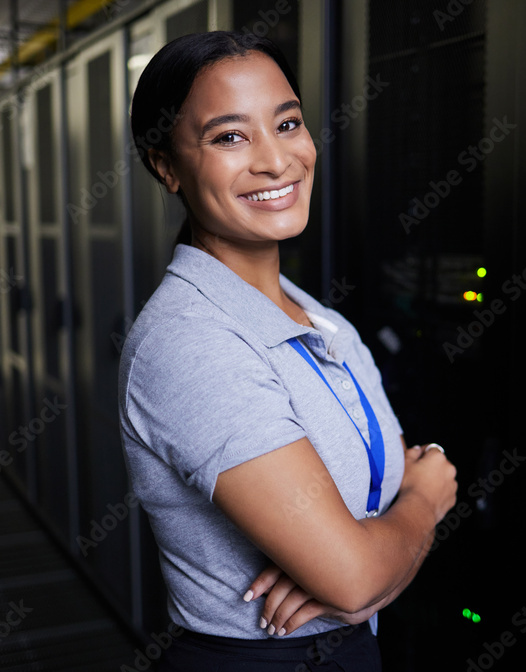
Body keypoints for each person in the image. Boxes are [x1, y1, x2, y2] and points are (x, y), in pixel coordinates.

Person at [119, 31, 458, 671]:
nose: (276, 161)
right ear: (166, 165)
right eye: (229, 136)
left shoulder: (321, 321)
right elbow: (358, 577)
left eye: (288, 123)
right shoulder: (192, 344)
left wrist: (347, 564)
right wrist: (426, 499)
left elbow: (359, 553)